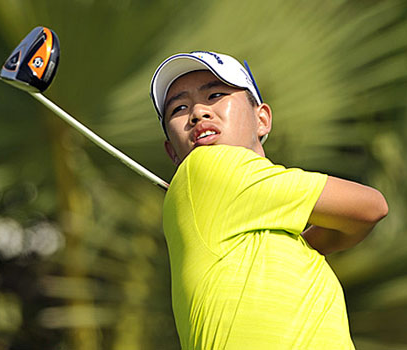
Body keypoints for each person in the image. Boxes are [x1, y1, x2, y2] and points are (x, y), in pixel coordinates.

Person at [150, 51, 388, 350]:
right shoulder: (204, 167)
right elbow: (371, 205)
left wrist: (306, 243)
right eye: (179, 108)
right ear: (172, 152)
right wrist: (317, 241)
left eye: (215, 94)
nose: (198, 112)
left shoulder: (271, 224)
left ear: (261, 119)